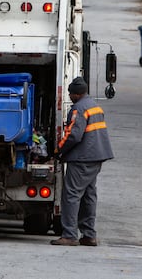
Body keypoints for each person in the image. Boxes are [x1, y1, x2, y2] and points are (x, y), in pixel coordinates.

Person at [50, 76, 114, 247]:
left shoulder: (79, 108)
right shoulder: (94, 106)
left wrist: (58, 150)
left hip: (82, 158)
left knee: (71, 195)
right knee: (88, 195)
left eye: (70, 94)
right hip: (96, 157)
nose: (69, 97)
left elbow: (74, 135)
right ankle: (88, 235)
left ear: (76, 95)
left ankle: (70, 235)